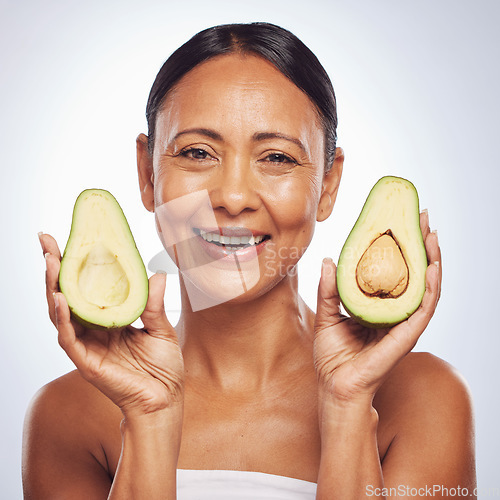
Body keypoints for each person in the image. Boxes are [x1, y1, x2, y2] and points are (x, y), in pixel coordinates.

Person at [23, 22, 476, 499]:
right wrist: (149, 417)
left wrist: (347, 405)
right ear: (147, 173)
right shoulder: (68, 414)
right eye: (198, 152)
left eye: (276, 158)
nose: (234, 197)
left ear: (328, 185)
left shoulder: (424, 399)